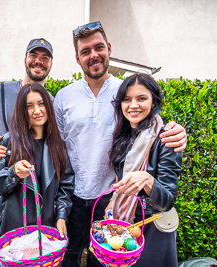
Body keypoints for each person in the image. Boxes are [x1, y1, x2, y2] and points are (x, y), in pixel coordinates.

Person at [53, 21, 187, 267]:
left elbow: (150, 126)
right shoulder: (63, 97)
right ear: (77, 58)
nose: (93, 55)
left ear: (109, 48)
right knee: (68, 257)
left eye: (98, 47)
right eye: (85, 51)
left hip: (112, 197)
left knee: (103, 260)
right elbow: (58, 148)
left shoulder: (124, 92)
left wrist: (177, 131)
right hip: (73, 195)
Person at [0, 83, 74, 266]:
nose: (37, 110)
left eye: (41, 103)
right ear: (21, 111)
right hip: (12, 228)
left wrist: (62, 215)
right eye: (29, 106)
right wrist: (13, 172)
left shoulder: (58, 145)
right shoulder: (8, 141)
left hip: (45, 228)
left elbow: (66, 185)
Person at [107, 73, 182, 267]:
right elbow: (120, 176)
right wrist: (111, 201)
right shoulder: (123, 136)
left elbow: (167, 200)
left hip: (151, 229)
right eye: (127, 99)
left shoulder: (166, 138)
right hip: (125, 226)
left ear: (153, 101)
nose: (133, 105)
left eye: (141, 98)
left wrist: (148, 181)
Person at [0, 38, 54, 160]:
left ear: (50, 65)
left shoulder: (52, 102)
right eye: (33, 55)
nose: (38, 61)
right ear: (25, 60)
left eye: (45, 58)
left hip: (36, 176)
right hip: (4, 175)